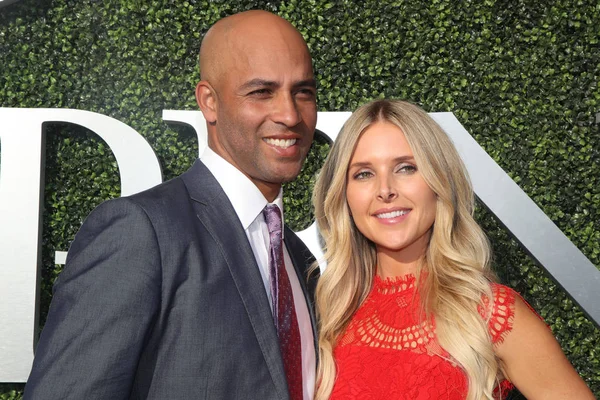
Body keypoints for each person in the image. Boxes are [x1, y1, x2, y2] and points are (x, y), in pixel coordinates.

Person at [24, 10, 318, 400]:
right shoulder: (141, 231)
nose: (289, 114)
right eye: (261, 92)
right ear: (209, 102)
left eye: (304, 92)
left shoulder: (297, 257)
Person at [311, 99, 594, 400]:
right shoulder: (333, 309)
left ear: (439, 182)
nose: (385, 189)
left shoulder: (490, 312)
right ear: (343, 194)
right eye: (364, 174)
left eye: (406, 168)